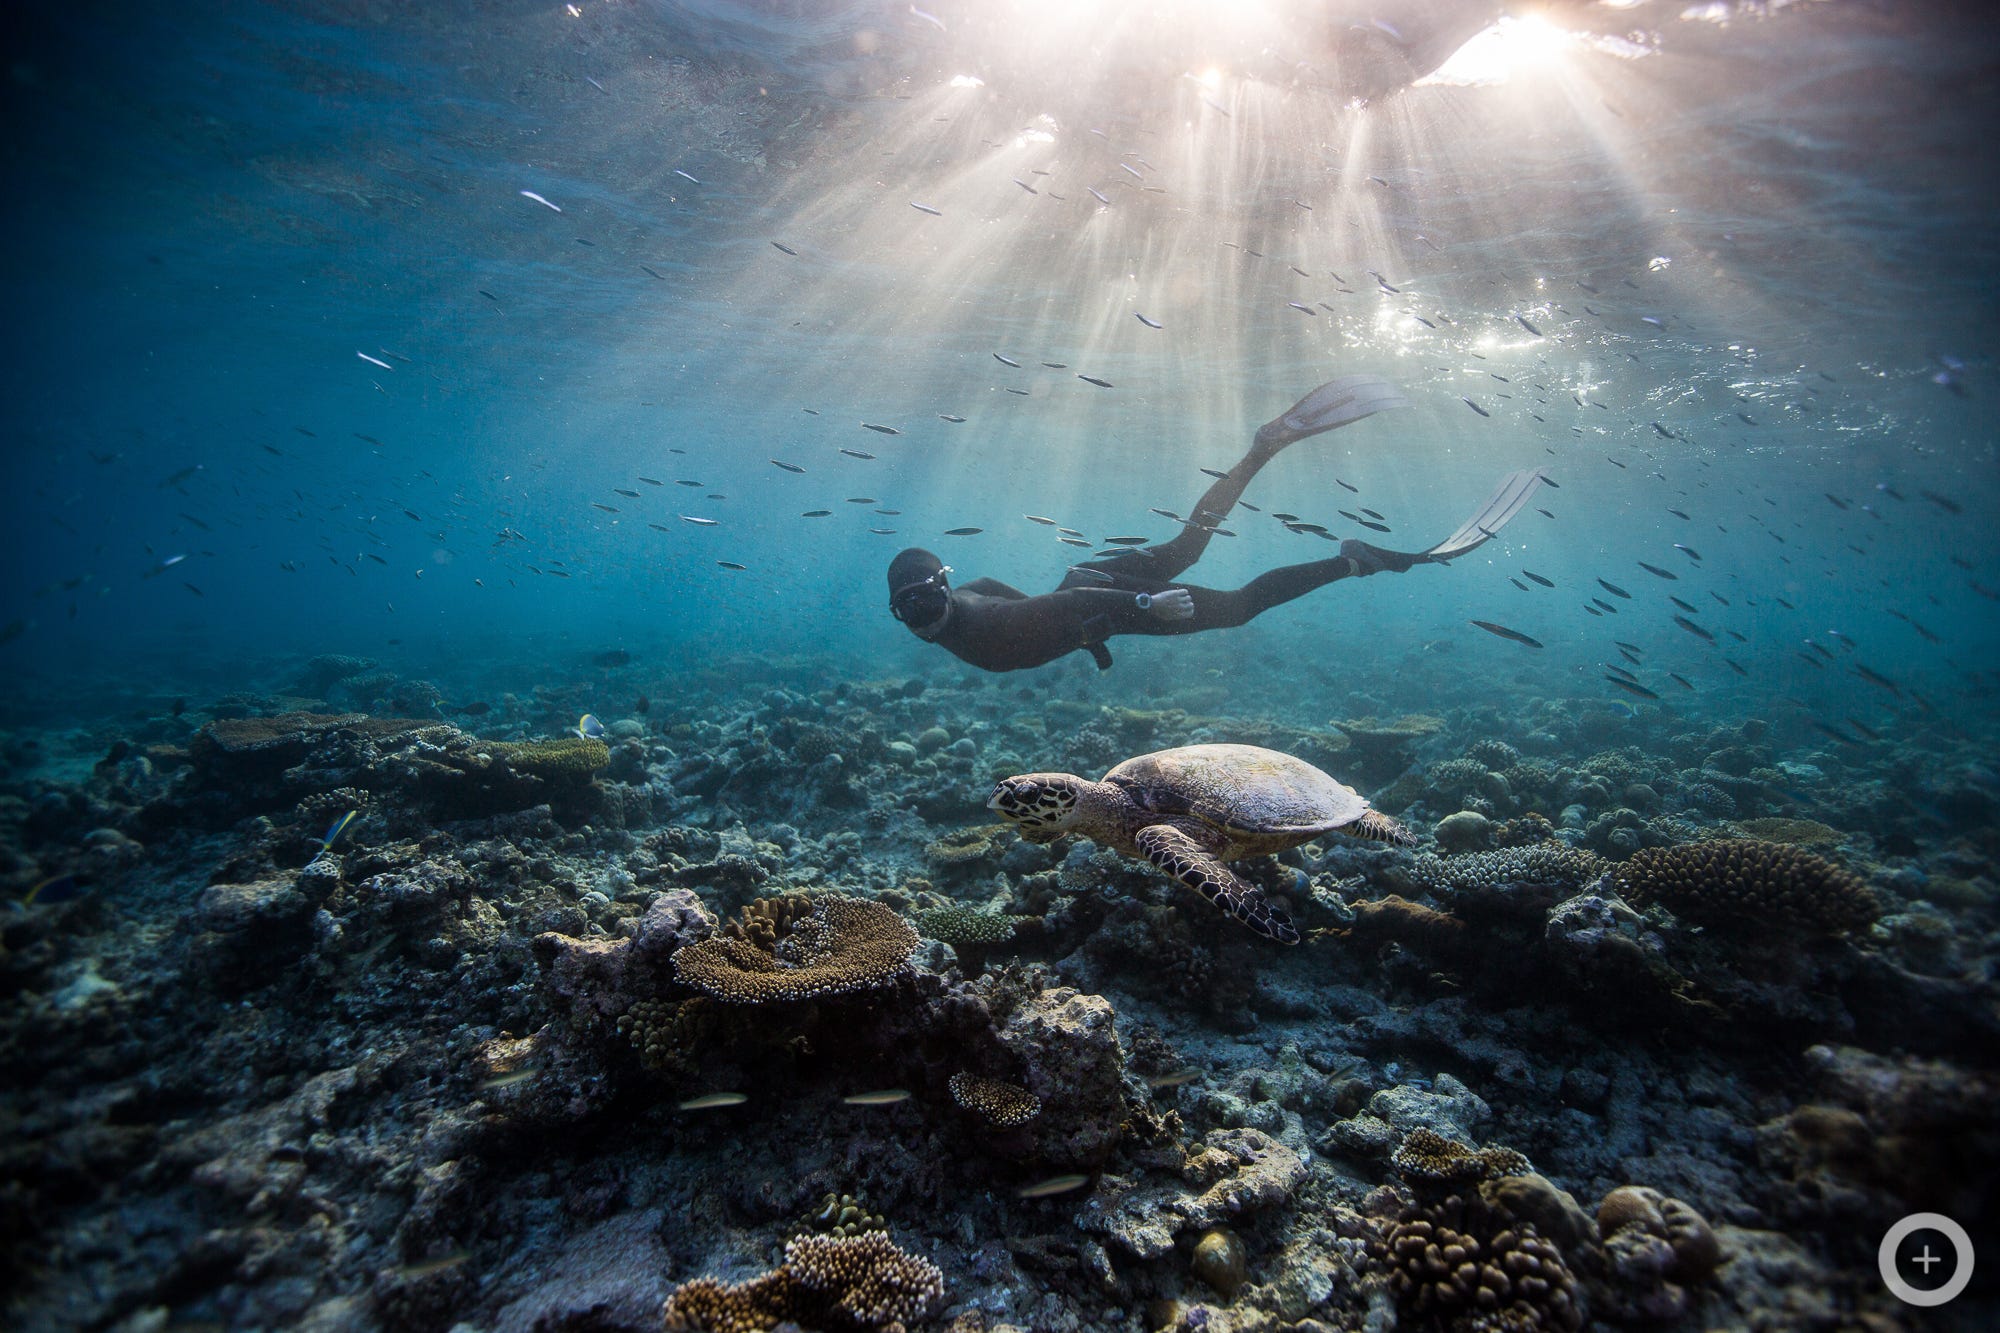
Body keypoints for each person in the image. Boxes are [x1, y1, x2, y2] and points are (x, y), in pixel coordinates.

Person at [887, 375, 1547, 672]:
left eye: (926, 599)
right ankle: (1261, 448)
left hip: (1105, 596)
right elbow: (1043, 605)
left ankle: (1355, 559)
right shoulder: (968, 595)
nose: (922, 617)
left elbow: (1058, 607)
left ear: (945, 584)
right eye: (907, 610)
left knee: (1237, 609)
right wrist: (1083, 635)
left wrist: (1139, 602)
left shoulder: (976, 623)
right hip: (1091, 591)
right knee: (1189, 543)